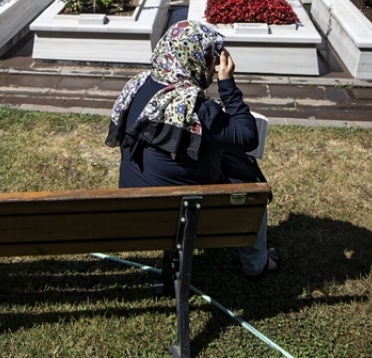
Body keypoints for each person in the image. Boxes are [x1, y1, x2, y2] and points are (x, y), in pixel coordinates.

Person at [106, 20, 279, 279]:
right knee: (251, 192)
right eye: (210, 57)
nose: (213, 65)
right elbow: (247, 137)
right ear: (194, 59)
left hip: (139, 211)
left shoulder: (140, 84)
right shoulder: (196, 109)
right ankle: (257, 265)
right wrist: (227, 83)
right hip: (184, 217)